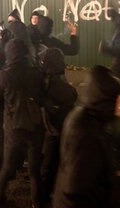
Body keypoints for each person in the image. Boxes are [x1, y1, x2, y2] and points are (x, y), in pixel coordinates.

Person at [53, 65, 120, 208]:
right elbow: (75, 187)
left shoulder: (93, 119)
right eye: (119, 98)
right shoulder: (85, 131)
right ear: (107, 99)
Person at [0, 38, 46, 208]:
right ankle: (37, 203)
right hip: (34, 127)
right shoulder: (36, 73)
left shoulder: (4, 75)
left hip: (13, 127)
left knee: (7, 167)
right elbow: (42, 97)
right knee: (34, 172)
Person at [38, 48, 78, 204]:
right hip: (58, 128)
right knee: (54, 163)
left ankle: (45, 197)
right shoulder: (56, 79)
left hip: (54, 129)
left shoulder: (51, 80)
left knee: (49, 165)